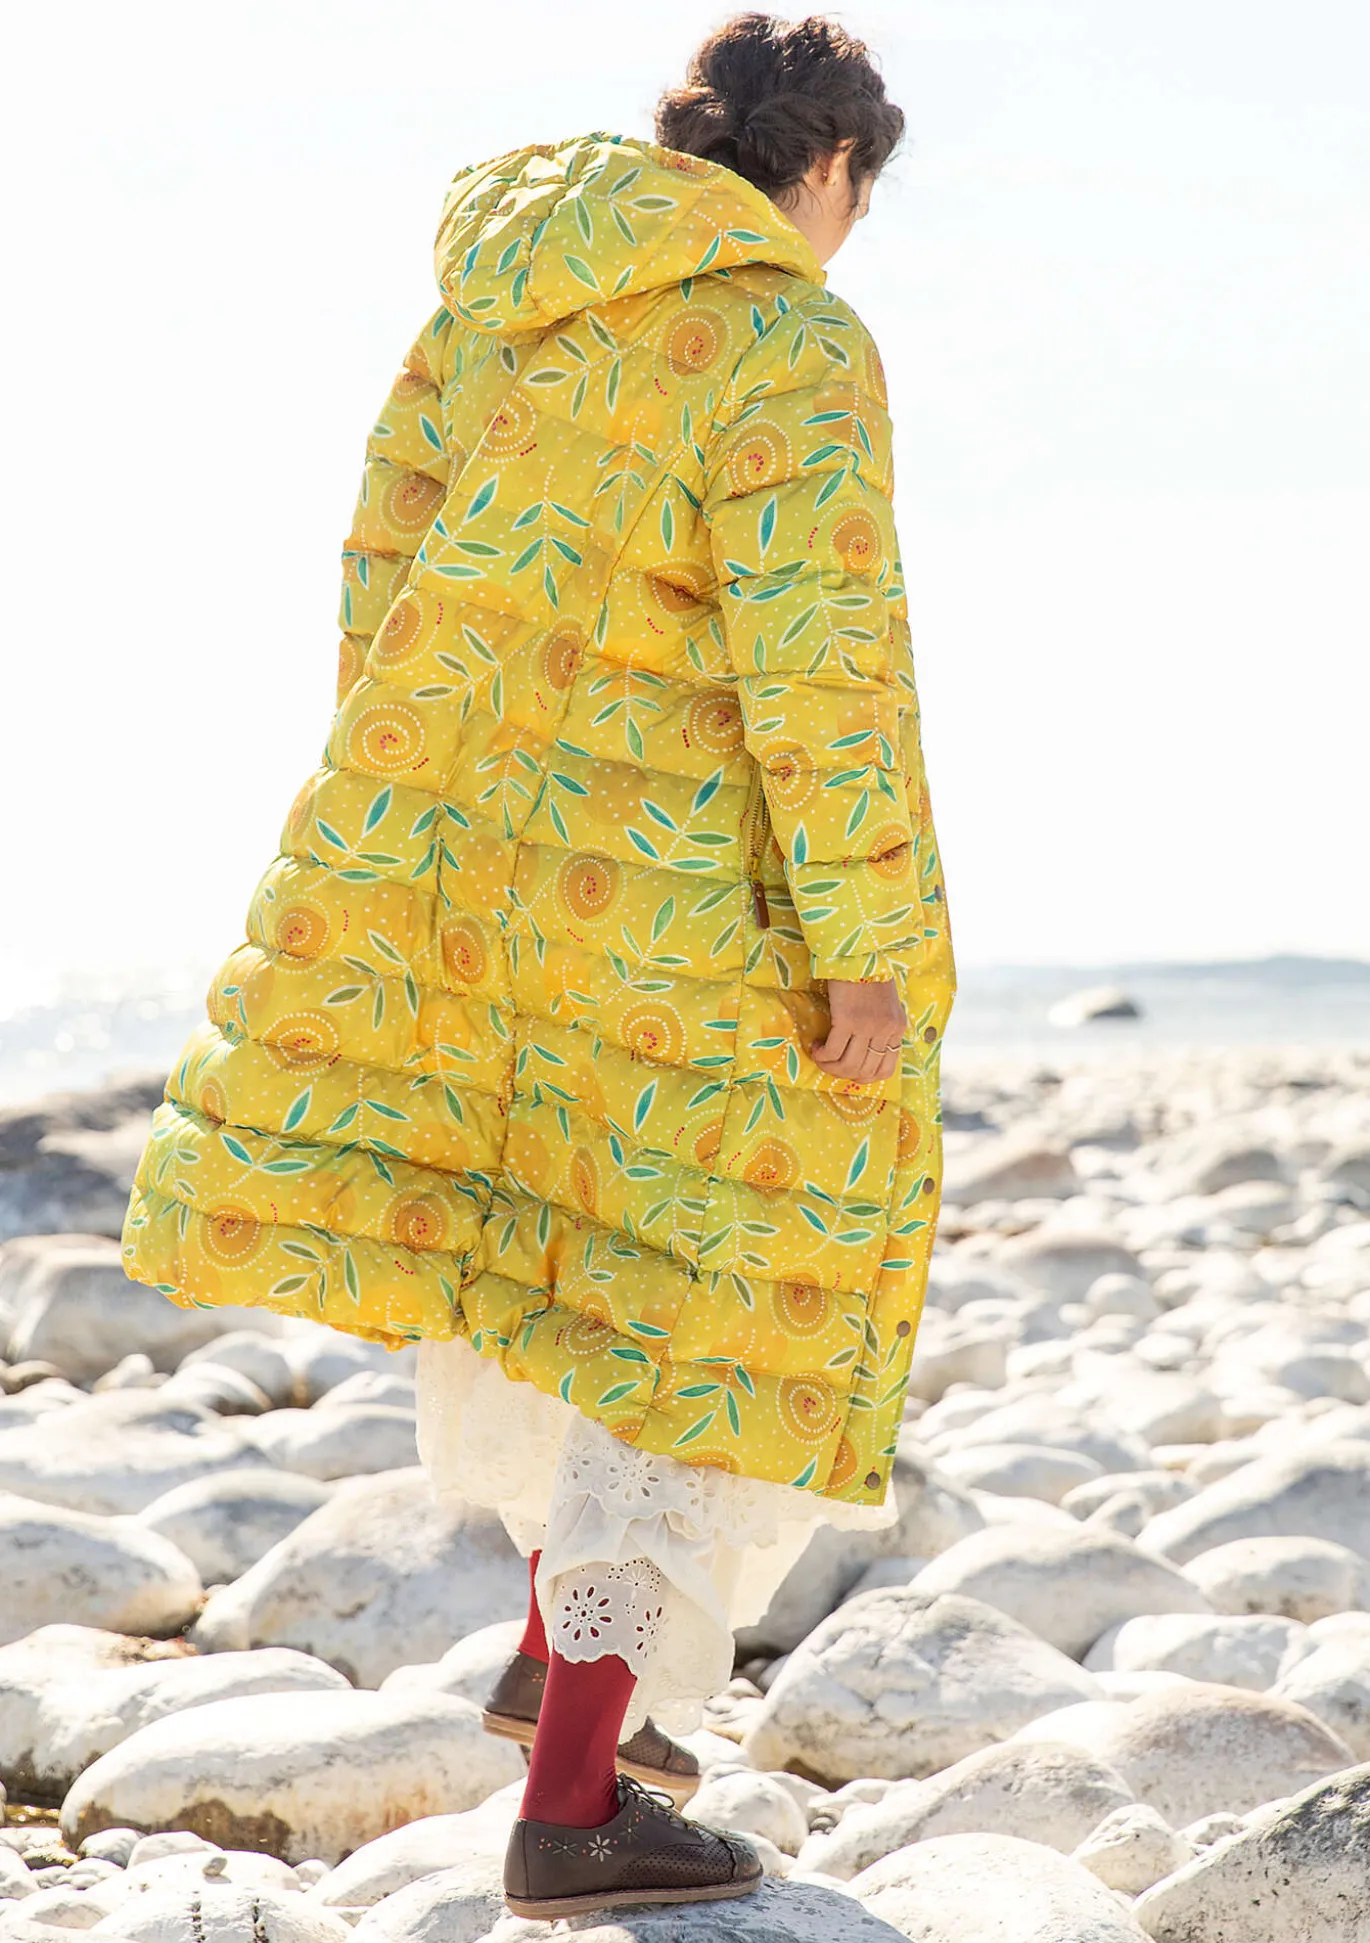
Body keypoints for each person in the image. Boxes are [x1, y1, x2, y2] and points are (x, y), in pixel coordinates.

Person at [122, 9, 954, 1920]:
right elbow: (822, 661)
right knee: (705, 1302)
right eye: (860, 199)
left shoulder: (496, 303)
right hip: (691, 905)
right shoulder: (788, 335)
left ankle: (566, 1675)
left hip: (476, 876)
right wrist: (864, 944)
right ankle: (574, 1807)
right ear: (830, 168)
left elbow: (382, 568)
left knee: (557, 1270)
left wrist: (409, 836)